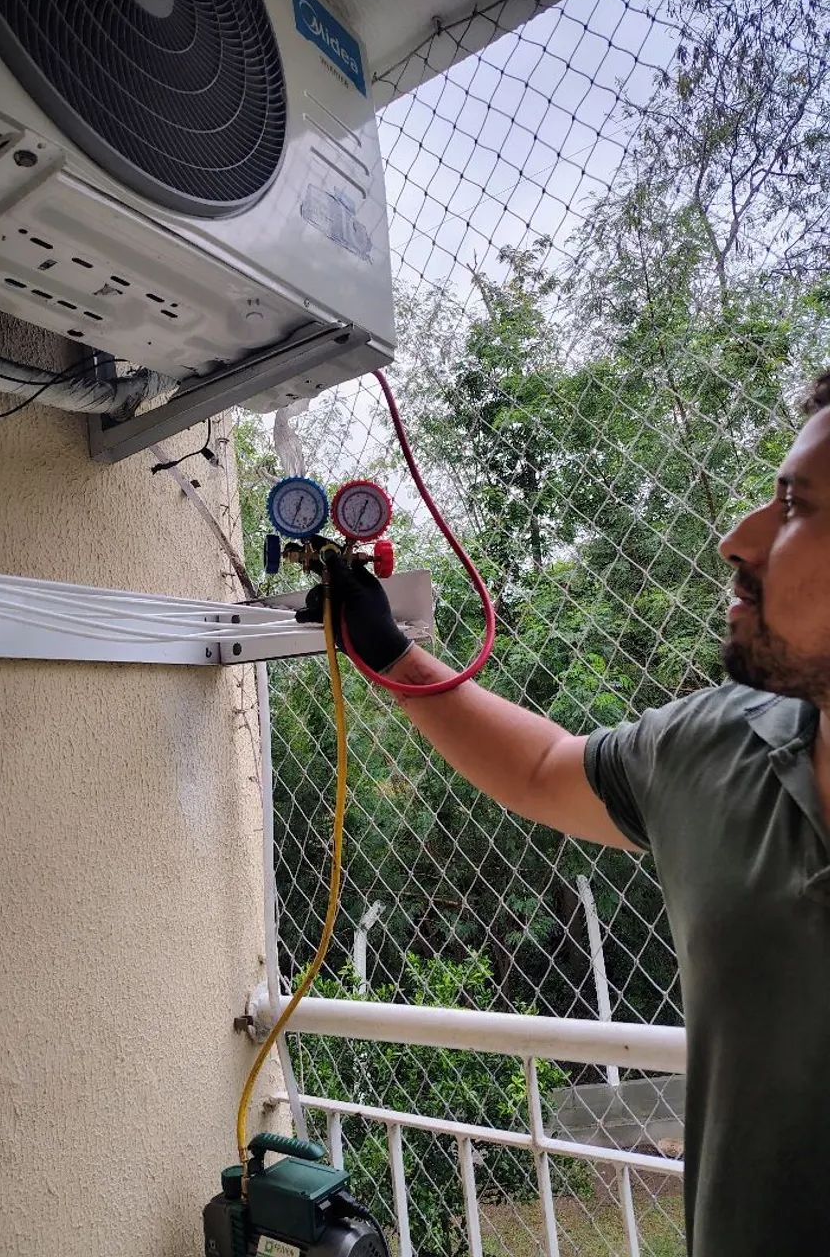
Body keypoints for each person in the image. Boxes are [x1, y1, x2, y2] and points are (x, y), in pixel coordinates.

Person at [321, 377, 830, 1257]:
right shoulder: (720, 744)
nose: (736, 537)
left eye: (796, 505)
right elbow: (541, 767)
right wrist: (389, 652)